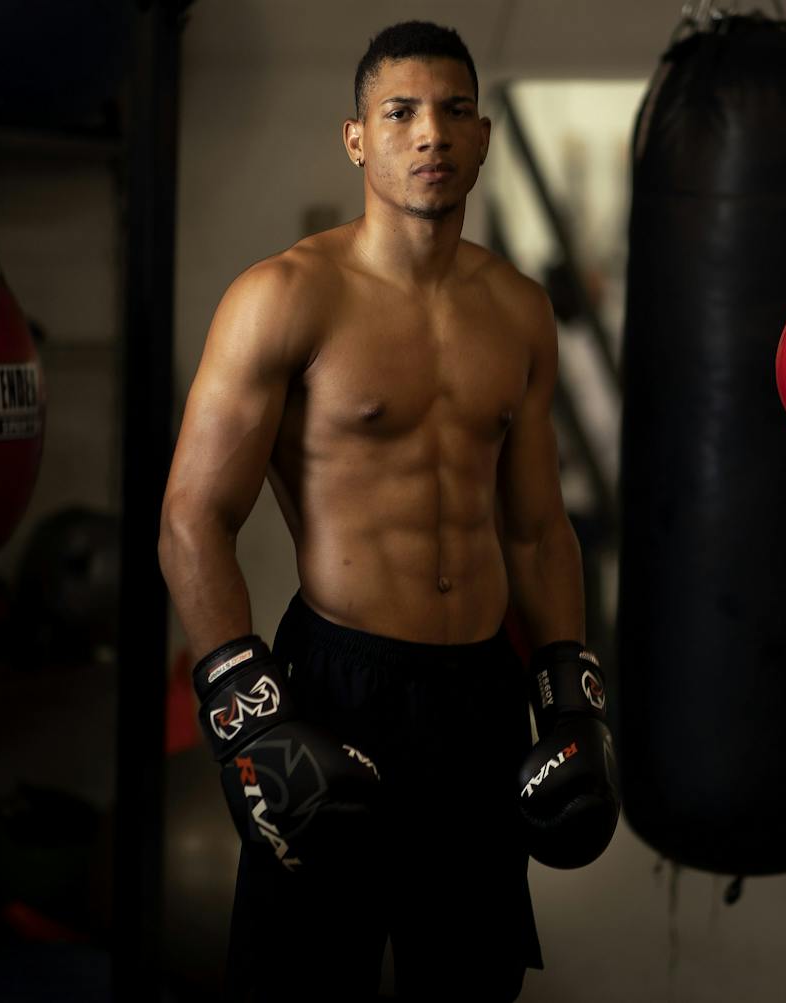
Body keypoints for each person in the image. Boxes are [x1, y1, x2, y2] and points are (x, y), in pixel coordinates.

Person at [159, 21, 617, 1003]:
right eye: (399, 112)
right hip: (337, 687)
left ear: (484, 136)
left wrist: (568, 694)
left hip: (480, 699)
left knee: (468, 980)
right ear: (355, 139)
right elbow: (191, 519)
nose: (430, 135)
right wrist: (250, 718)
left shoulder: (518, 308)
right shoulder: (281, 297)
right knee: (298, 983)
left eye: (453, 111)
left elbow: (537, 528)